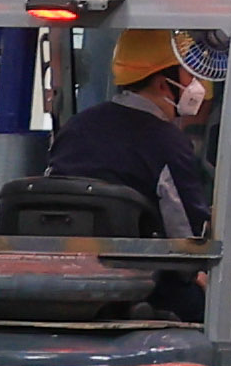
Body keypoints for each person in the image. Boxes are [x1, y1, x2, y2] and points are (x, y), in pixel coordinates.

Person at [35, 30, 214, 238]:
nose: (196, 85)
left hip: (64, 253)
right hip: (134, 259)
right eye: (190, 75)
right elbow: (189, 236)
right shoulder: (168, 144)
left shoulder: (75, 127)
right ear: (162, 84)